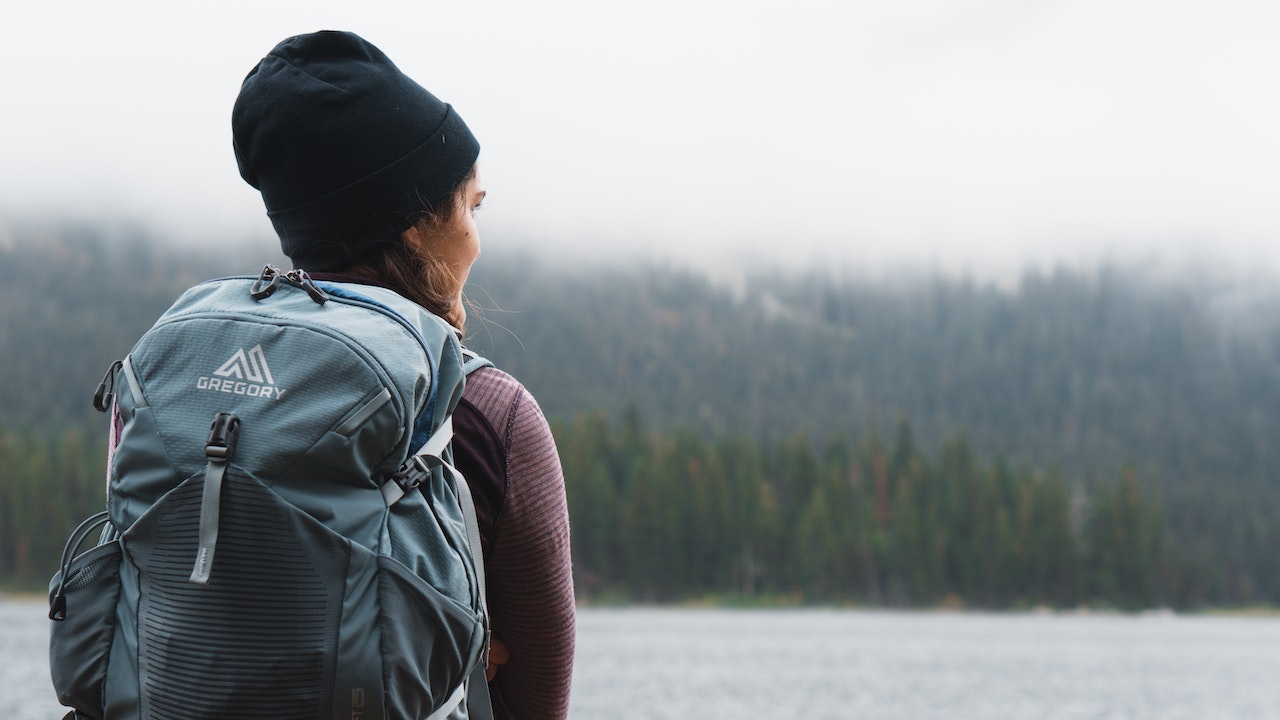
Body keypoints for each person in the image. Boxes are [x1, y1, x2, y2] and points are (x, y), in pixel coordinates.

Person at [230, 30, 576, 719]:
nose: (477, 235)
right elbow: (535, 698)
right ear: (416, 224)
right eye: (471, 206)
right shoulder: (485, 412)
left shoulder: (187, 376)